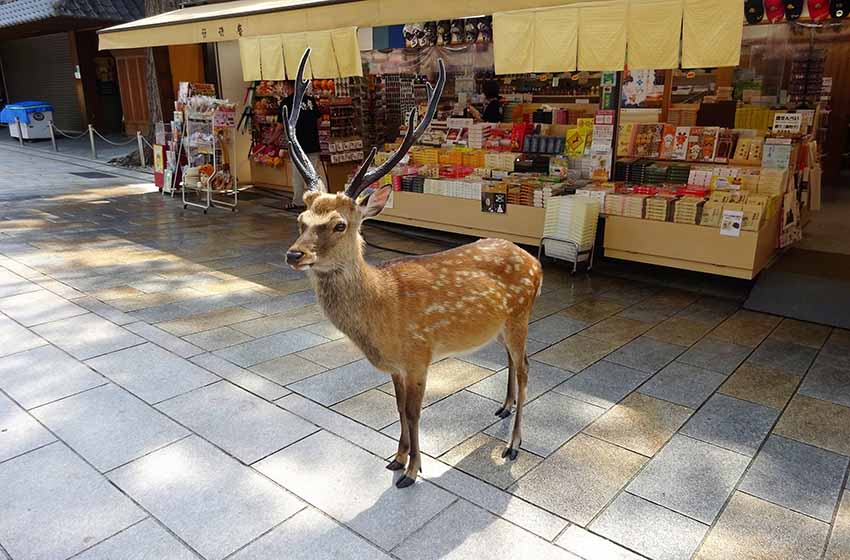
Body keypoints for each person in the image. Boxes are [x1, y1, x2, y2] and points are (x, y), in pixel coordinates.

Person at [280, 85, 324, 209]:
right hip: (313, 143)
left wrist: (272, 139)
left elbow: (280, 125)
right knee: (314, 174)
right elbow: (319, 120)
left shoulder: (287, 102)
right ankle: (318, 200)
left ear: (288, 86)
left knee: (298, 175)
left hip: (297, 145)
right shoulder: (310, 100)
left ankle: (298, 201)